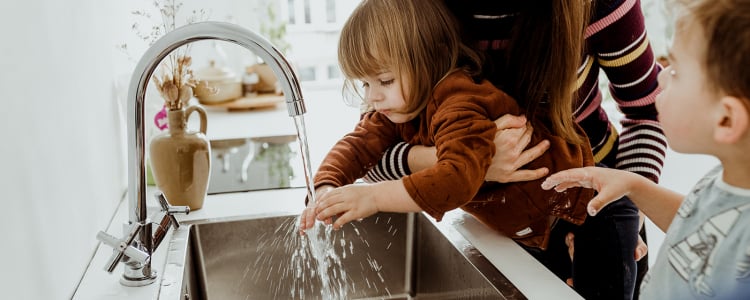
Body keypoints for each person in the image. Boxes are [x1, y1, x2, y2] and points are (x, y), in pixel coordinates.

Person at [299, 0, 637, 299]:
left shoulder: (458, 102)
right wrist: (326, 185)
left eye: (384, 81)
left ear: (428, 60)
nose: (372, 96)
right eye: (365, 84)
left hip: (592, 212)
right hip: (535, 220)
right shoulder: (398, 105)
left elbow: (455, 181)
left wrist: (372, 197)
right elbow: (358, 145)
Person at [542, 0, 750, 298]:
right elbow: (701, 224)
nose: (661, 75)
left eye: (675, 71)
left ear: (726, 119)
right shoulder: (725, 180)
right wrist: (635, 186)